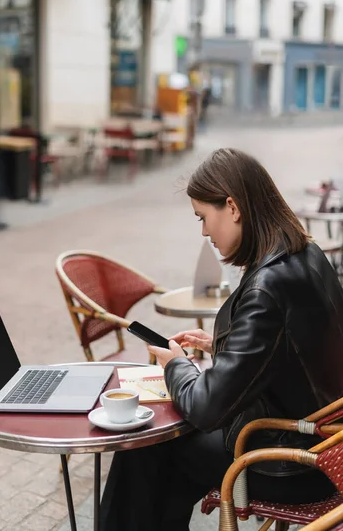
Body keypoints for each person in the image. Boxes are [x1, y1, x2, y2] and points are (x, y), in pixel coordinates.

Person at [100, 148, 343, 531]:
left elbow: (206, 407)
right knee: (161, 473)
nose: (204, 232)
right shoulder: (305, 254)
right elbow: (300, 346)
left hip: (291, 465)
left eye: (203, 217)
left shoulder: (267, 287)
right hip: (324, 447)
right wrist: (224, 347)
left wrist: (175, 365)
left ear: (232, 206)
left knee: (142, 449)